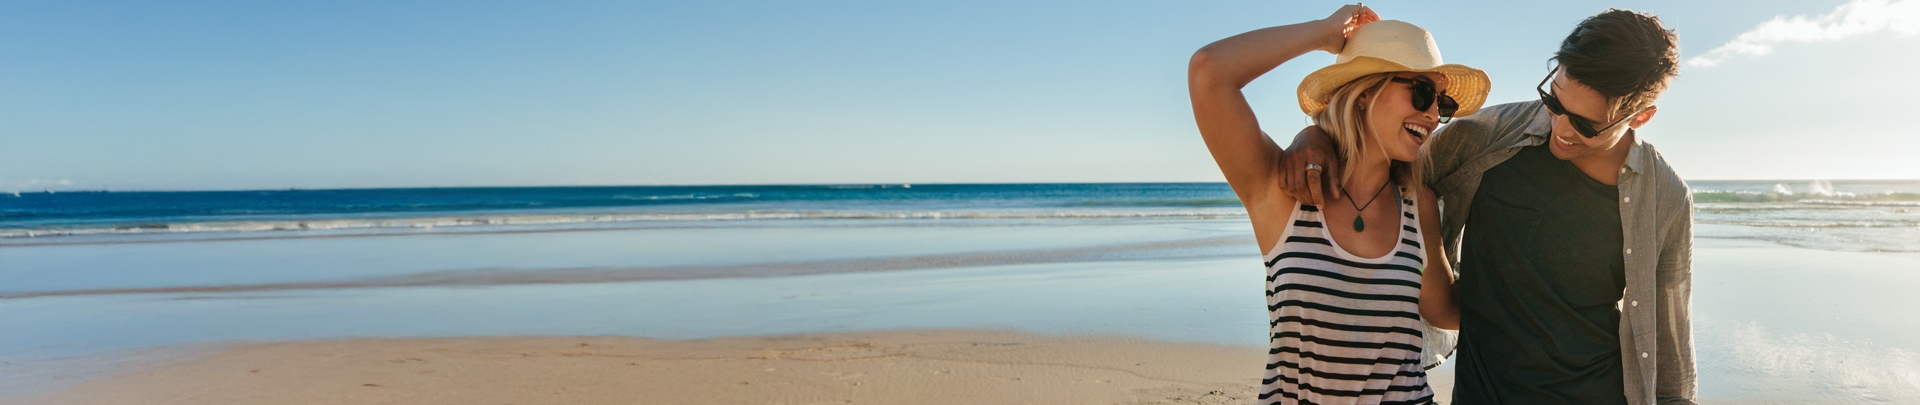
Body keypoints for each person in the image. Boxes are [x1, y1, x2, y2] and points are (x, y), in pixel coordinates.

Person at [1276, 9, 1697, 405]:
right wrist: (1314, 139)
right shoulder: (1490, 138)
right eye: (1553, 101)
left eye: (1585, 124)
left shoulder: (1666, 199)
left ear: (1640, 117)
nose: (1561, 129)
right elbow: (1381, 154)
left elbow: (1671, 348)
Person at [1187, 5, 1488, 404]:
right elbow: (1209, 72)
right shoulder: (1281, 189)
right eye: (1422, 92)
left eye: (1442, 104)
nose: (1433, 114)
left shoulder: (1419, 206)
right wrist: (1323, 34)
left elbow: (1444, 310)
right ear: (1365, 92)